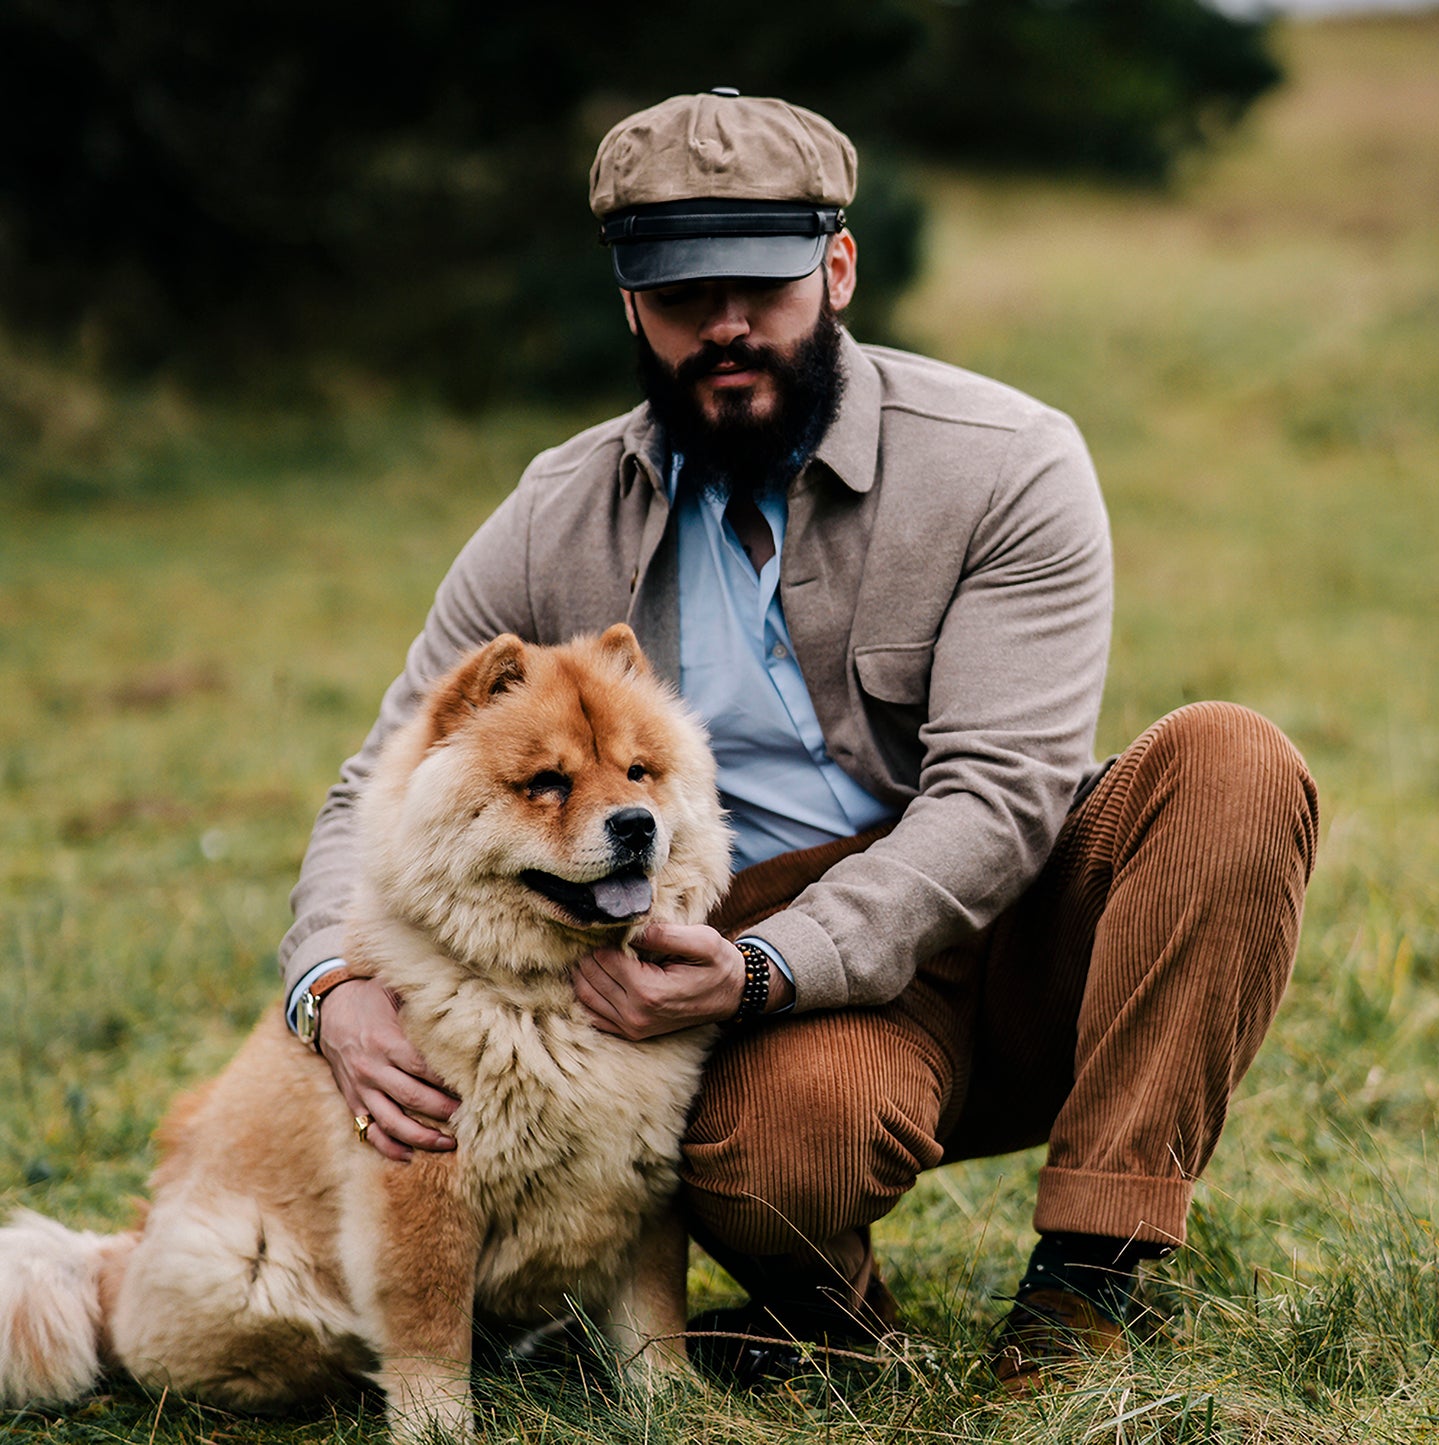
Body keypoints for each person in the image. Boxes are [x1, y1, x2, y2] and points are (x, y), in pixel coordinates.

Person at [279, 89, 1319, 1390]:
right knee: (776, 1158)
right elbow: (376, 781)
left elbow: (1001, 795)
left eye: (760, 286)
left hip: (1001, 904)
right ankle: (830, 1321)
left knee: (1231, 761)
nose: (723, 326)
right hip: (760, 952)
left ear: (835, 268)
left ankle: (1087, 1288)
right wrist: (331, 984)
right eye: (679, 294)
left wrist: (766, 966)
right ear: (630, 308)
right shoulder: (555, 513)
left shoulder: (1005, 460)